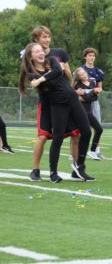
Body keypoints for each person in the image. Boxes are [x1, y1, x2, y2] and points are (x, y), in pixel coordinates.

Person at [19, 43, 94, 183]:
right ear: (31, 56)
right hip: (58, 105)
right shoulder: (31, 74)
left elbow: (58, 72)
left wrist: (41, 79)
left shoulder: (52, 60)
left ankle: (79, 166)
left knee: (86, 131)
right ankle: (53, 172)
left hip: (73, 100)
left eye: (41, 51)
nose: (41, 53)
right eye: (37, 52)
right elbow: (50, 82)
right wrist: (45, 77)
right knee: (57, 138)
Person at [23, 26, 80, 181]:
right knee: (42, 137)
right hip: (47, 103)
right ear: (36, 40)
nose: (47, 40)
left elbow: (68, 76)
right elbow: (31, 79)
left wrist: (64, 69)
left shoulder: (59, 53)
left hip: (63, 101)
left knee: (76, 133)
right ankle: (35, 170)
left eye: (48, 36)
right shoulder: (32, 56)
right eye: (43, 37)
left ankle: (77, 168)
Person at [73, 68, 104, 161]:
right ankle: (78, 154)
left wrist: (90, 94)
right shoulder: (78, 85)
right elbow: (85, 99)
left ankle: (92, 151)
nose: (84, 75)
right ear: (78, 77)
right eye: (81, 74)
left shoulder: (92, 83)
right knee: (83, 133)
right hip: (81, 111)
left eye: (84, 73)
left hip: (89, 110)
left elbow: (93, 98)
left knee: (99, 129)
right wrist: (92, 92)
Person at [81, 47, 106, 159]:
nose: (91, 57)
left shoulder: (98, 72)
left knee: (97, 126)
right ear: (85, 56)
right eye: (89, 55)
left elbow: (100, 88)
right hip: (82, 103)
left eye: (93, 55)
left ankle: (96, 150)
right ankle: (76, 151)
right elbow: (74, 86)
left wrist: (97, 90)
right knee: (80, 127)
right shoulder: (80, 70)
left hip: (93, 102)